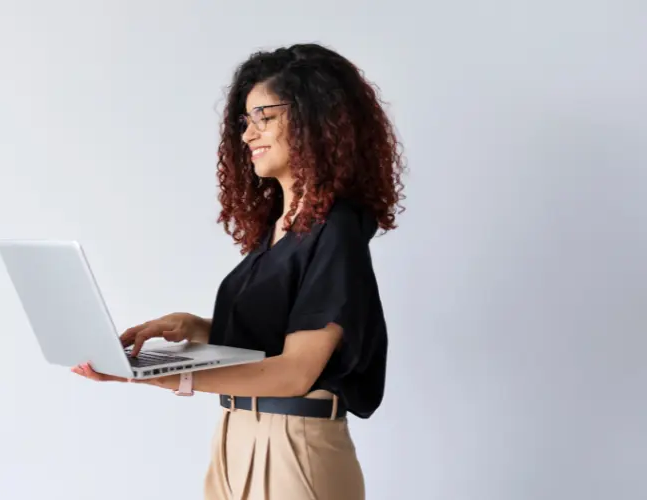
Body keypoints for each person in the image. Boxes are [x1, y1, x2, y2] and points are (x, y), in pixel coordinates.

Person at [71, 42, 405, 500]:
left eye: (264, 116)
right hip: (236, 435)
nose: (248, 134)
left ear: (314, 119)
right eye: (245, 120)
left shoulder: (336, 229)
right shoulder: (280, 230)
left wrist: (161, 375)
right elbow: (275, 340)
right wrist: (196, 328)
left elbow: (295, 372)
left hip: (294, 447)